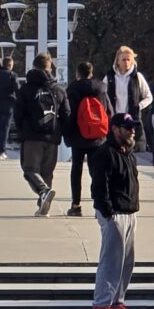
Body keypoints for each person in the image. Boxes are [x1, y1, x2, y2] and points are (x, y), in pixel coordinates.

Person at [89, 113, 142, 309]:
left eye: (133, 127)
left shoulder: (128, 152)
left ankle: (117, 301)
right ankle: (101, 304)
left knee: (126, 262)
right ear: (115, 129)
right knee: (111, 260)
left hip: (129, 212)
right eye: (127, 127)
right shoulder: (104, 153)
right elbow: (99, 187)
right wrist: (108, 212)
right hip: (114, 214)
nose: (132, 131)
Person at [13, 53, 69, 216]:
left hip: (32, 136)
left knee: (30, 169)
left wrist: (21, 131)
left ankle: (43, 192)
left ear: (34, 66)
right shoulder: (58, 89)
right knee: (47, 172)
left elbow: (18, 113)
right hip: (52, 137)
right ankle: (43, 204)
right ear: (50, 67)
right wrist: (64, 134)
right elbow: (66, 113)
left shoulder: (27, 88)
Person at [64, 62, 113, 217]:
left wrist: (68, 133)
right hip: (97, 136)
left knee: (76, 170)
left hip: (78, 135)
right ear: (91, 73)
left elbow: (69, 113)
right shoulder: (102, 88)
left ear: (78, 73)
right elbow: (109, 111)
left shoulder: (72, 89)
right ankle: (99, 203)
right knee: (96, 170)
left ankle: (76, 205)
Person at [104, 46, 153, 155]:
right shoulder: (110, 77)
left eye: (128, 59)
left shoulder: (137, 77)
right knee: (114, 148)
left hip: (131, 120)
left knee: (130, 150)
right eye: (123, 59)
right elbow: (102, 94)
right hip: (114, 119)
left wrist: (139, 106)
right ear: (117, 61)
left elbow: (149, 97)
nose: (126, 62)